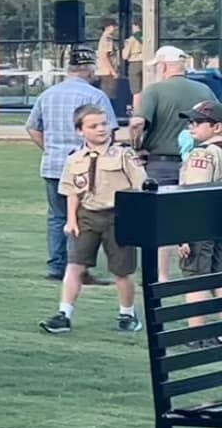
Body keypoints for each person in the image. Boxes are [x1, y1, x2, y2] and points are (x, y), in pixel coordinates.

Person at [40, 104, 145, 335]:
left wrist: (137, 217)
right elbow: (72, 192)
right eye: (93, 126)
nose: (101, 129)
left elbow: (140, 185)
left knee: (121, 270)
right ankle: (64, 314)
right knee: (75, 265)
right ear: (80, 131)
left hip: (119, 215)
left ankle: (127, 313)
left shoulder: (123, 154)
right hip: (87, 215)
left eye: (104, 124)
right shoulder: (75, 158)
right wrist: (71, 220)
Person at [26, 49, 115, 282]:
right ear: (90, 70)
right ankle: (78, 268)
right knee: (83, 217)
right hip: (86, 167)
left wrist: (49, 149)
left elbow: (32, 127)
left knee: (57, 217)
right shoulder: (95, 96)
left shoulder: (48, 94)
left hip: (53, 164)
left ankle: (57, 266)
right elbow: (108, 132)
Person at [130, 45, 217, 189]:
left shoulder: (154, 90)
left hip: (161, 164)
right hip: (198, 161)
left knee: (160, 202)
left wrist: (136, 148)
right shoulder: (205, 90)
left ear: (163, 66)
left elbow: (137, 124)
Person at [175, 100, 222, 340]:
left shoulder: (202, 153)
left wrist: (184, 233)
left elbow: (193, 195)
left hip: (201, 225)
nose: (191, 126)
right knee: (218, 277)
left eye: (198, 122)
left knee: (195, 279)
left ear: (217, 127)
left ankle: (196, 334)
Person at [97, 20, 125, 113]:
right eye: (114, 26)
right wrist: (113, 71)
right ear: (108, 27)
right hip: (107, 72)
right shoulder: (107, 39)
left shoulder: (107, 38)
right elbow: (105, 57)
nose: (116, 29)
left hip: (106, 71)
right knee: (109, 96)